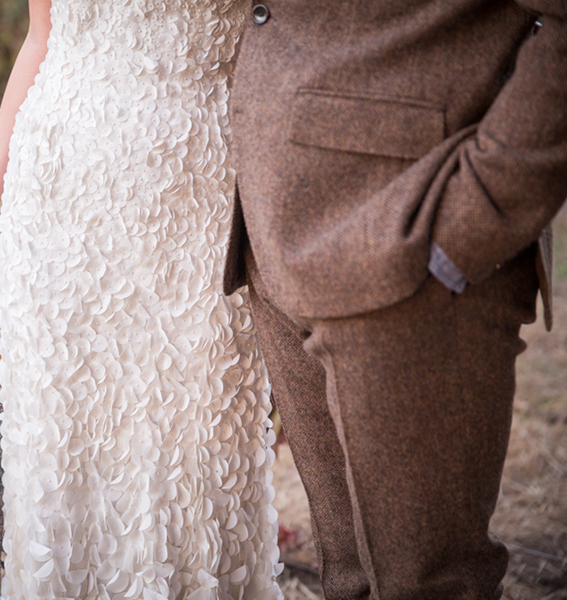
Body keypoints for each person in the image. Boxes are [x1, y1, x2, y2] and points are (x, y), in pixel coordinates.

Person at [0, 1, 283, 598]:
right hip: (61, 192)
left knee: (194, 450)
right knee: (65, 444)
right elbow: (43, 37)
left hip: (201, 192)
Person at [227, 1, 567, 599]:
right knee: (350, 577)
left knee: (428, 585)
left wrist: (474, 217)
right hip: (272, 242)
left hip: (409, 235)